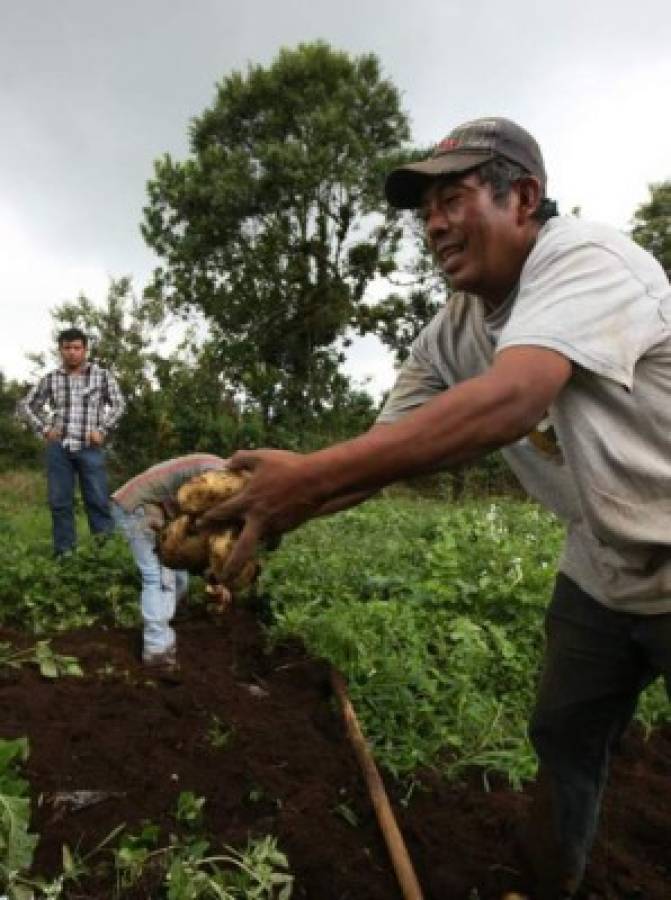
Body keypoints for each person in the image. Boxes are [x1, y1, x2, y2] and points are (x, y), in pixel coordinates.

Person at [196, 117, 671, 899]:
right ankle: (547, 883)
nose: (435, 226)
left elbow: (512, 400)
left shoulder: (584, 259)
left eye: (451, 199)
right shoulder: (449, 336)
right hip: (601, 567)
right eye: (424, 212)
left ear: (522, 197)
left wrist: (308, 477)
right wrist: (275, 506)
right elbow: (381, 455)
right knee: (562, 736)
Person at [111, 453, 229, 668]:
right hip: (140, 506)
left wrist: (215, 579)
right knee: (159, 577)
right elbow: (205, 536)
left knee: (178, 576)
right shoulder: (217, 478)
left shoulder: (225, 476)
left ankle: (163, 620)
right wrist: (216, 579)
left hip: (161, 511)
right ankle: (157, 650)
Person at [19, 327, 125, 558]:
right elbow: (26, 406)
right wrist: (45, 429)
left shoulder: (101, 376)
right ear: (60, 350)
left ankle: (105, 555)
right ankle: (65, 556)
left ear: (85, 350)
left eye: (77, 348)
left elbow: (119, 404)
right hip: (60, 449)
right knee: (60, 503)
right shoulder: (51, 379)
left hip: (91, 448)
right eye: (67, 348)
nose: (72, 352)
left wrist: (103, 429)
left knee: (97, 501)